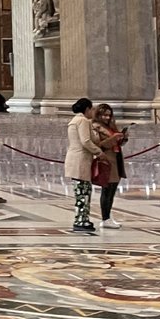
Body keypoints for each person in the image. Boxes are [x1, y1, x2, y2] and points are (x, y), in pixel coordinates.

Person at [65, 97, 101, 234]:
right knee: (83, 191)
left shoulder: (75, 120)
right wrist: (99, 152)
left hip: (76, 159)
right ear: (87, 109)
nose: (92, 111)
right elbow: (86, 141)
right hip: (81, 159)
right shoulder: (82, 121)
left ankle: (82, 217)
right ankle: (81, 219)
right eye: (91, 109)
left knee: (82, 191)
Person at [91, 103, 127, 230]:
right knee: (107, 190)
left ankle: (108, 216)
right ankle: (105, 218)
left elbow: (116, 142)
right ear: (99, 115)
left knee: (112, 190)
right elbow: (98, 144)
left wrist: (122, 138)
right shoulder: (95, 127)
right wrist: (113, 138)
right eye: (104, 115)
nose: (107, 118)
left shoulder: (111, 126)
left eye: (109, 115)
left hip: (116, 158)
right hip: (107, 159)